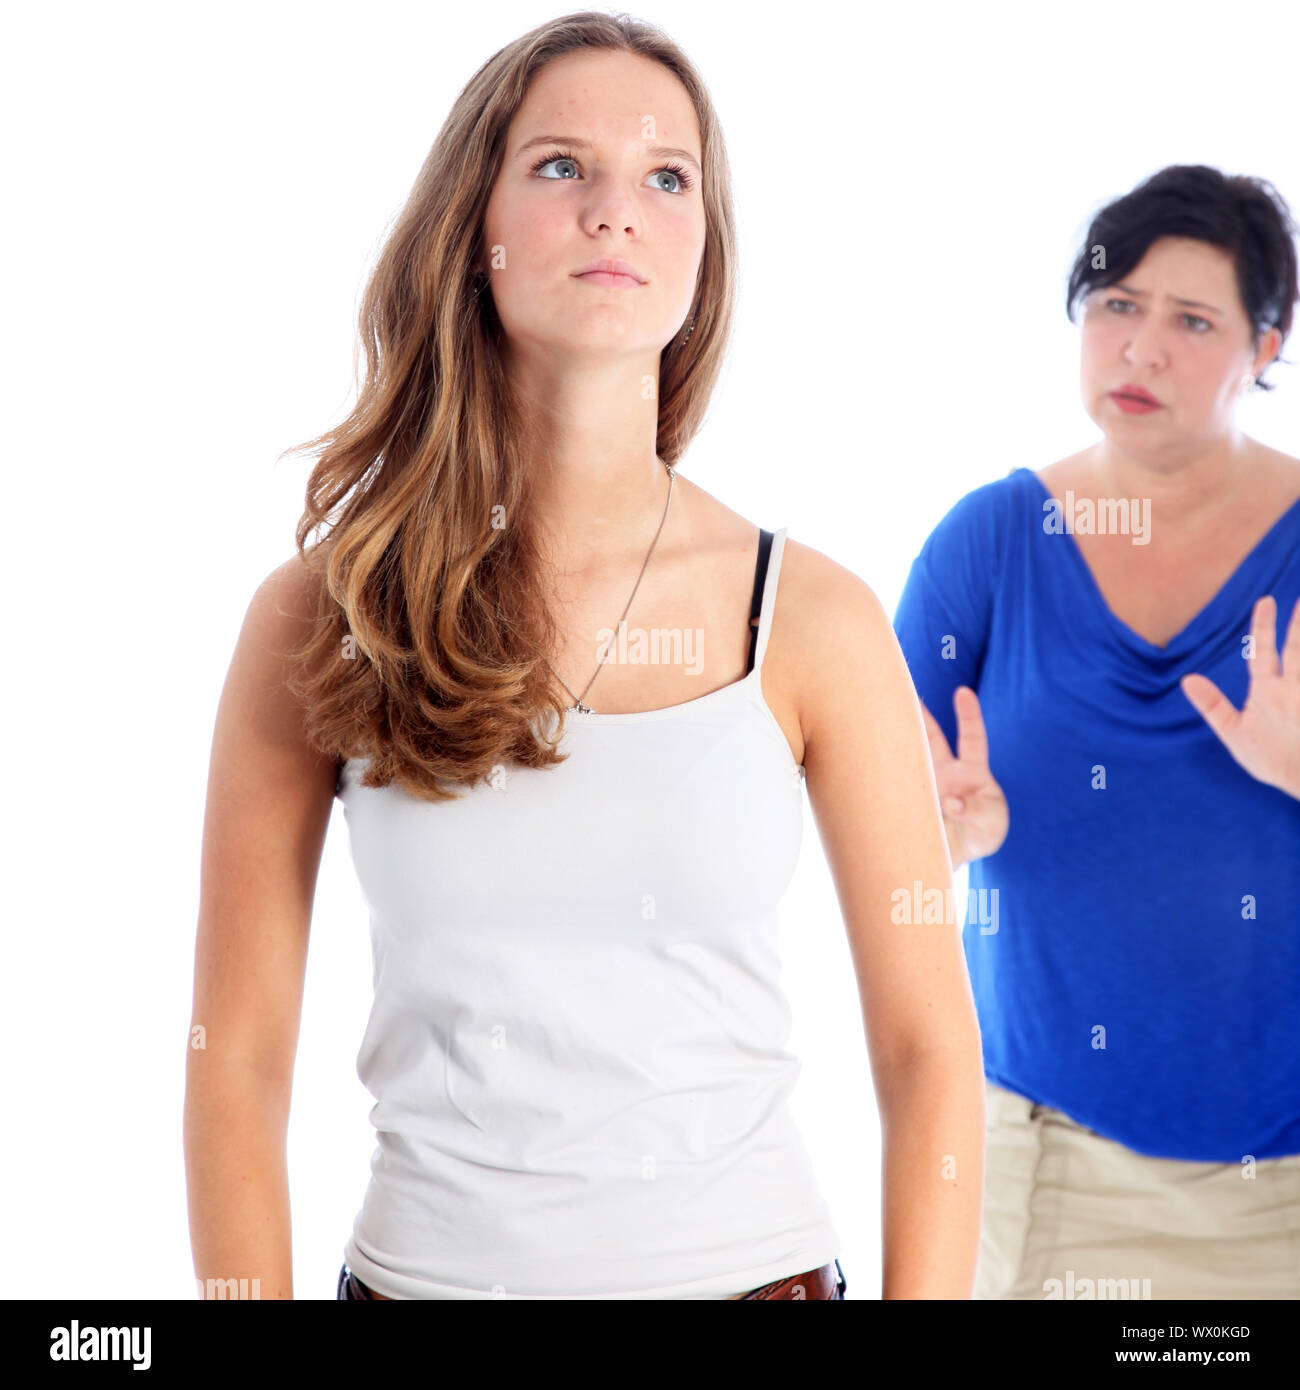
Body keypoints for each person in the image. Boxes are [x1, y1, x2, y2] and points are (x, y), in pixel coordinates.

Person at [184, 11, 983, 1301]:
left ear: (704, 248)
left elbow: (927, 1051)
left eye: (668, 177)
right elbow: (237, 1055)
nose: (616, 210)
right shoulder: (322, 614)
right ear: (473, 224)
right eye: (561, 165)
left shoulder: (814, 618)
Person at [893, 164, 1300, 1300]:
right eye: (1117, 305)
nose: (1141, 349)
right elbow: (871, 828)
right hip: (1042, 1162)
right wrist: (940, 837)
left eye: (1192, 321)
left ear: (1265, 347)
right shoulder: (987, 542)